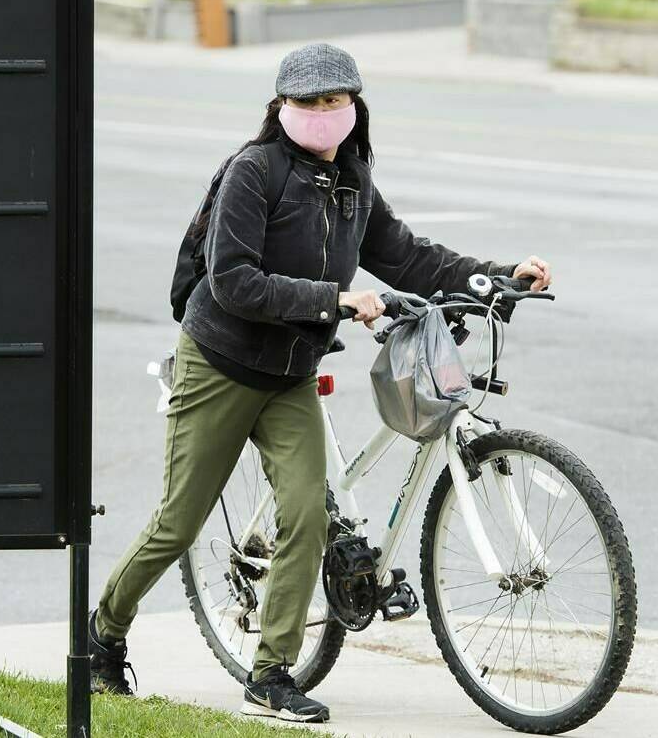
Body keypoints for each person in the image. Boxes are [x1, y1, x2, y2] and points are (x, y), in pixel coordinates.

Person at [87, 42, 553, 723]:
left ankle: (270, 672)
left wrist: (499, 273)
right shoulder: (253, 171)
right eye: (306, 101)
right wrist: (335, 301)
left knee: (305, 513)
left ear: (354, 107)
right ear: (280, 108)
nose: (321, 112)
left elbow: (406, 253)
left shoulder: (354, 177)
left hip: (289, 375)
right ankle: (104, 633)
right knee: (178, 522)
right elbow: (234, 281)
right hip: (219, 365)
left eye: (334, 99)